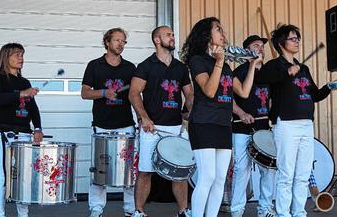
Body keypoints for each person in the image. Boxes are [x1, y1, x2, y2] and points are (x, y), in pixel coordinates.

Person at [181, 17, 260, 217]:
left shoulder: (224, 66)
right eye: (218, 29)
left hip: (224, 124)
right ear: (207, 35)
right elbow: (209, 90)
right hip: (203, 123)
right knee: (207, 177)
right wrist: (219, 62)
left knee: (219, 178)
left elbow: (243, 91)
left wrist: (251, 66)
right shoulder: (197, 60)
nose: (223, 33)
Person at [255, 24, 337, 217]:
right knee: (286, 173)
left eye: (298, 38)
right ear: (281, 43)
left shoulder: (304, 68)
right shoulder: (275, 65)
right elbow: (262, 78)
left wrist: (329, 87)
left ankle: (299, 212)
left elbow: (314, 95)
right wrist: (286, 73)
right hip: (286, 124)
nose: (297, 41)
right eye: (293, 38)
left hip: (306, 124)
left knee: (302, 174)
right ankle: (284, 213)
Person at [129, 26, 194, 217]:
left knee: (180, 172)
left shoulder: (181, 67)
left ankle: (183, 211)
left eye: (173, 34)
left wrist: (191, 110)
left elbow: (189, 94)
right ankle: (139, 211)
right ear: (157, 40)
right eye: (169, 35)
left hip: (175, 127)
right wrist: (144, 117)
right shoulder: (146, 65)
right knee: (145, 171)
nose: (173, 37)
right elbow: (134, 93)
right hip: (152, 128)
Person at [81, 28, 137, 217]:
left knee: (129, 171)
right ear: (107, 42)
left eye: (123, 41)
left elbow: (136, 94)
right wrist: (104, 93)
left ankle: (130, 209)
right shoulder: (94, 65)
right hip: (102, 125)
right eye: (117, 40)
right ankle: (96, 209)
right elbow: (85, 93)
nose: (120, 44)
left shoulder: (130, 68)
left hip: (126, 124)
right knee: (100, 170)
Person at [0, 43, 43, 217]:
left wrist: (38, 128)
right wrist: (22, 93)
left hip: (25, 134)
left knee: (24, 179)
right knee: (4, 178)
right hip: (6, 134)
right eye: (17, 55)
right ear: (6, 57)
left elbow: (33, 109)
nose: (21, 58)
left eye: (22, 55)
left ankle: (23, 214)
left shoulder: (24, 81)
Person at [230, 35, 276, 217]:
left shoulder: (270, 73)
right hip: (241, 128)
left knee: (269, 169)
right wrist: (241, 113)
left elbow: (271, 100)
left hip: (264, 128)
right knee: (242, 169)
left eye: (262, 46)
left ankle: (265, 209)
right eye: (256, 45)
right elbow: (230, 100)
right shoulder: (238, 72)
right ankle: (237, 210)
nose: (261, 48)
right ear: (247, 50)